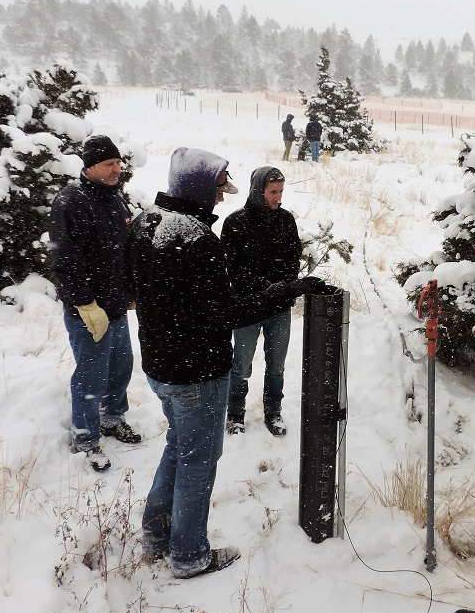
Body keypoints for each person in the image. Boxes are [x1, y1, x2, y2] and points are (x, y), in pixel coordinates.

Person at [126, 147, 324, 579]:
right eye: (216, 189)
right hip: (197, 370)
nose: (220, 198)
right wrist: (283, 291)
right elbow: (226, 313)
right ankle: (189, 554)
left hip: (161, 366)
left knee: (179, 447)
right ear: (196, 187)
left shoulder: (145, 224)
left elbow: (135, 288)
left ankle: (156, 534)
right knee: (198, 459)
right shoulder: (196, 239)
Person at [48, 134, 141, 473]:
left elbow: (124, 249)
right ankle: (86, 438)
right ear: (89, 167)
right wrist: (85, 304)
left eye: (118, 163)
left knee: (121, 368)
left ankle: (113, 419)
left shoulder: (115, 198)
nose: (117, 169)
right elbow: (65, 261)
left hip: (116, 306)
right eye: (109, 164)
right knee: (91, 376)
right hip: (88, 311)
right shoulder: (70, 202)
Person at [220, 166, 303, 437]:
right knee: (241, 365)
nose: (278, 197)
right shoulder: (236, 223)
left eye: (281, 191)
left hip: (279, 309)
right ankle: (234, 414)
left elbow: (293, 259)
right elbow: (235, 269)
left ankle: (273, 411)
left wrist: (284, 288)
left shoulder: (285, 220)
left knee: (276, 365)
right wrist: (269, 288)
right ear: (259, 191)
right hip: (247, 308)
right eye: (272, 192)